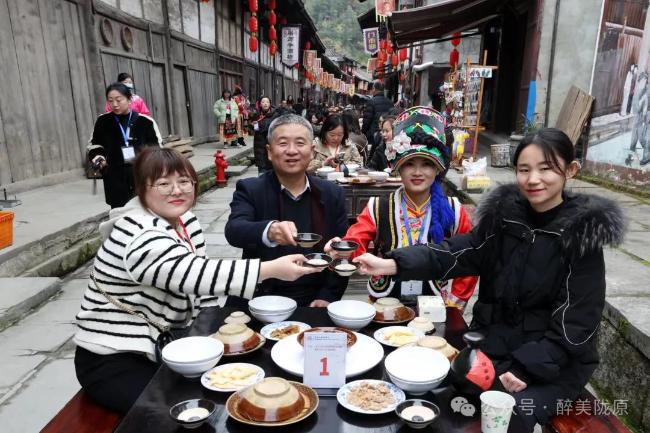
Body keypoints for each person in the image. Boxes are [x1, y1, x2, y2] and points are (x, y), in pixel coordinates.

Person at [353, 128, 626, 432]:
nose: (533, 179)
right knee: (439, 400)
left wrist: (524, 368)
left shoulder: (582, 238)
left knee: (505, 420)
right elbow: (453, 253)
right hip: (495, 348)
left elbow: (576, 325)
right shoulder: (504, 220)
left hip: (552, 366)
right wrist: (392, 263)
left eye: (546, 168)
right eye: (524, 169)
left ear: (571, 170)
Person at [75, 147, 318, 414]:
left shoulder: (184, 220)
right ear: (141, 188)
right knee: (178, 414)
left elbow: (202, 290)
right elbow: (192, 274)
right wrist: (269, 269)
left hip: (164, 345)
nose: (176, 190)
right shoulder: (136, 231)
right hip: (113, 357)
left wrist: (211, 335)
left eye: (184, 181)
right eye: (163, 183)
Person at [326, 107, 477, 309]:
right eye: (409, 164)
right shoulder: (378, 206)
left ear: (438, 168)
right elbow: (356, 239)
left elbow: (469, 257)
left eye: (426, 164)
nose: (417, 172)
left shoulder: (454, 209)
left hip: (435, 304)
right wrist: (343, 249)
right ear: (398, 168)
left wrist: (453, 303)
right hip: (385, 302)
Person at [225, 114, 349, 307]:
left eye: (300, 143)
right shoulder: (250, 189)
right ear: (269, 151)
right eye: (283, 143)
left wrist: (327, 296)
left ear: (312, 151)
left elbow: (342, 252)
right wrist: (270, 230)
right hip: (260, 298)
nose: (291, 151)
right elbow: (235, 230)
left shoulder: (332, 194)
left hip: (313, 298)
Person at [89, 83, 162, 209]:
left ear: (129, 99)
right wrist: (99, 157)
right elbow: (95, 145)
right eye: (110, 101)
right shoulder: (102, 121)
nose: (115, 104)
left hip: (141, 176)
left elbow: (157, 149)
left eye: (119, 100)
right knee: (118, 213)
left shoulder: (145, 122)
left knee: (144, 212)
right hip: (114, 176)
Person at [252, 96, 277, 173]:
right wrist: (253, 126)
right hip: (259, 143)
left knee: (272, 167)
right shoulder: (256, 115)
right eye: (263, 102)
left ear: (270, 104)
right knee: (262, 168)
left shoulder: (275, 115)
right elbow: (255, 130)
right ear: (260, 104)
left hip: (271, 142)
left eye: (267, 102)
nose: (265, 104)